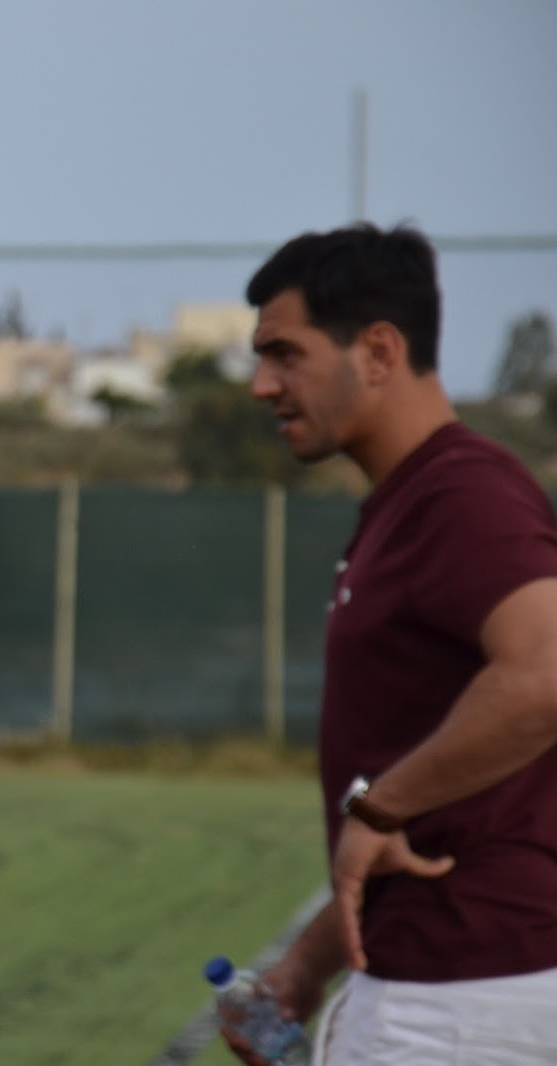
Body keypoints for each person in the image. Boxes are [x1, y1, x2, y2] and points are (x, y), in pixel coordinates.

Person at [228, 223, 557, 1065]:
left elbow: (547, 669)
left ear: (379, 350)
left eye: (285, 354)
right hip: (442, 982)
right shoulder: (409, 501)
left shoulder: (463, 492)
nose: (263, 385)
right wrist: (307, 965)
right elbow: (437, 810)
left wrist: (378, 805)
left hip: (468, 998)